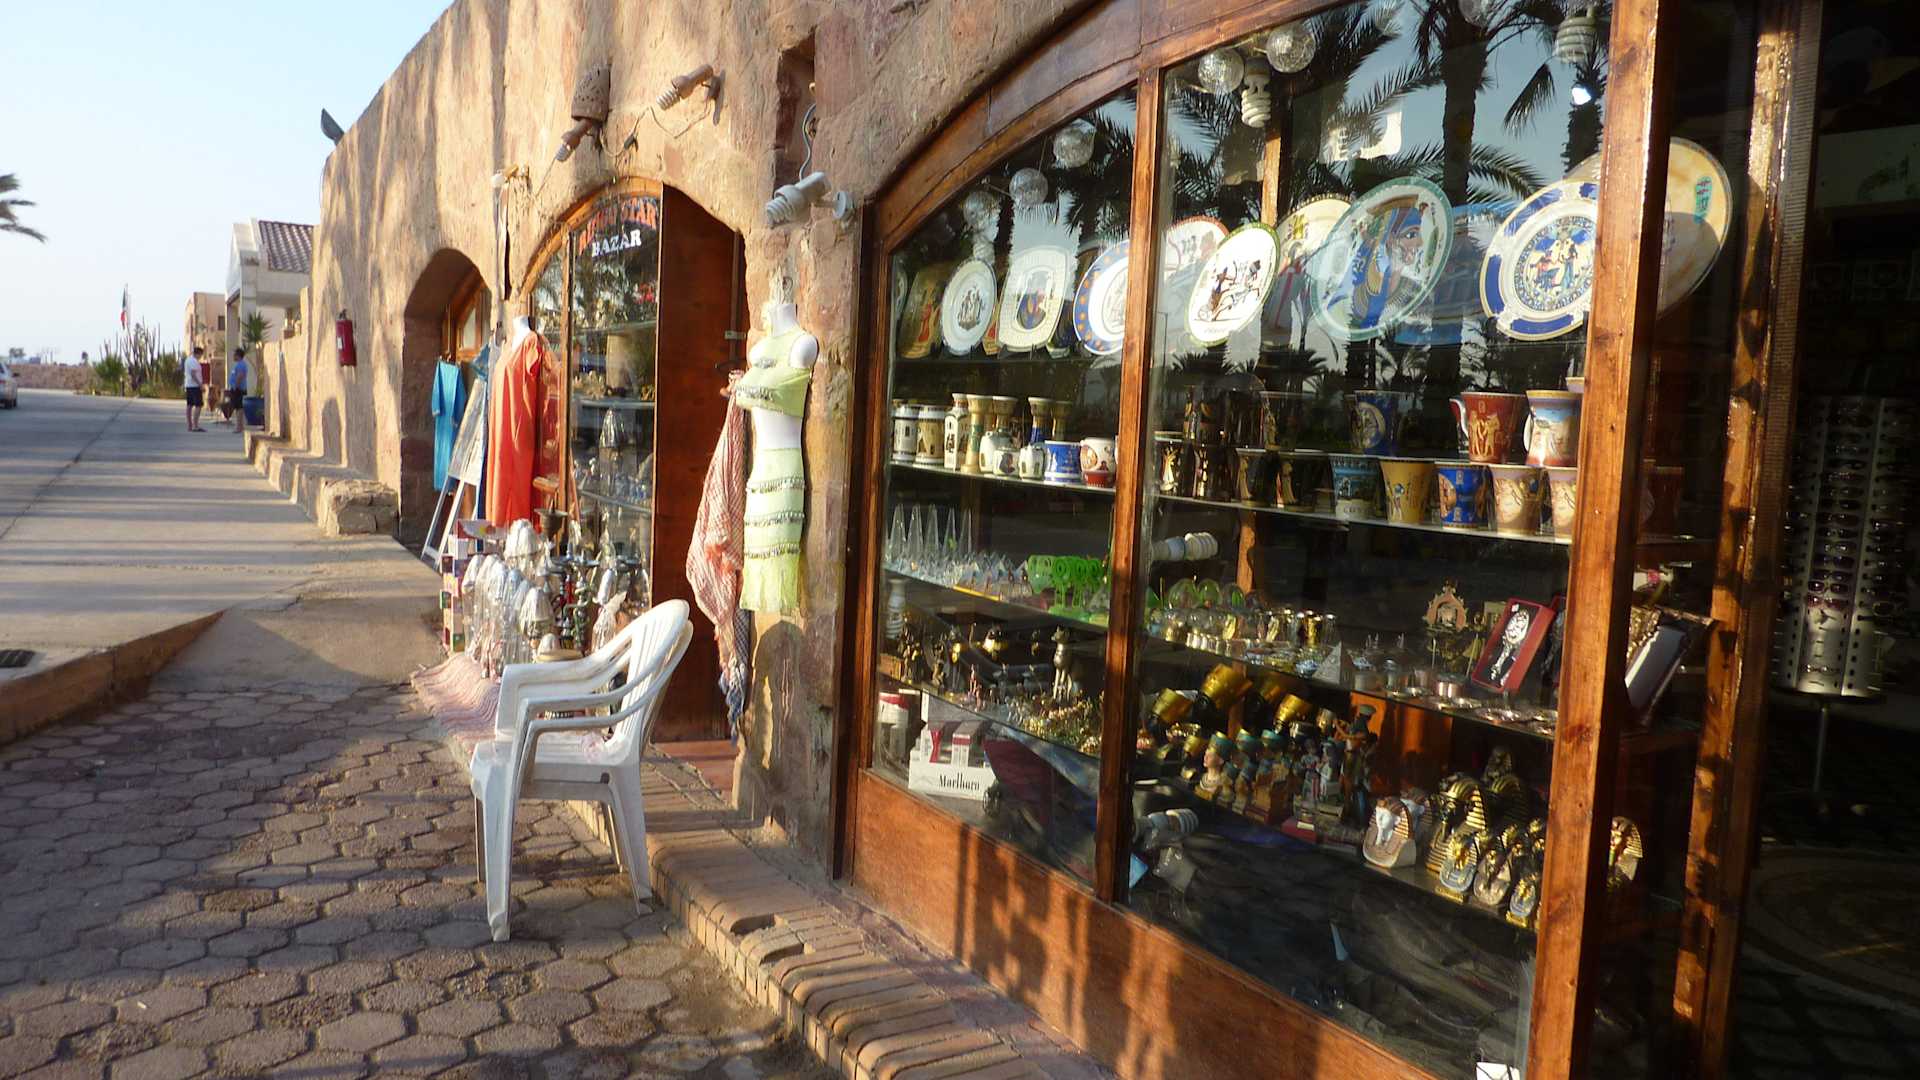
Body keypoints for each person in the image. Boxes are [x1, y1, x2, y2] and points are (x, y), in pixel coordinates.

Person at [182, 346, 206, 431]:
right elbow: (193, 374)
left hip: (188, 385)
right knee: (198, 405)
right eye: (201, 355)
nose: (201, 357)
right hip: (194, 386)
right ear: (198, 353)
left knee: (189, 405)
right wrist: (200, 385)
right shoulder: (194, 361)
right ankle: (195, 425)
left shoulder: (188, 360)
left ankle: (190, 425)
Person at [226, 347, 250, 432]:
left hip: (238, 389)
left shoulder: (241, 365)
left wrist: (235, 386)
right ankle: (240, 426)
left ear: (238, 356)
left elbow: (240, 376)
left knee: (239, 408)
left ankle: (239, 427)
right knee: (238, 408)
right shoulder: (239, 364)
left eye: (234, 355)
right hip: (236, 388)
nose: (233, 356)